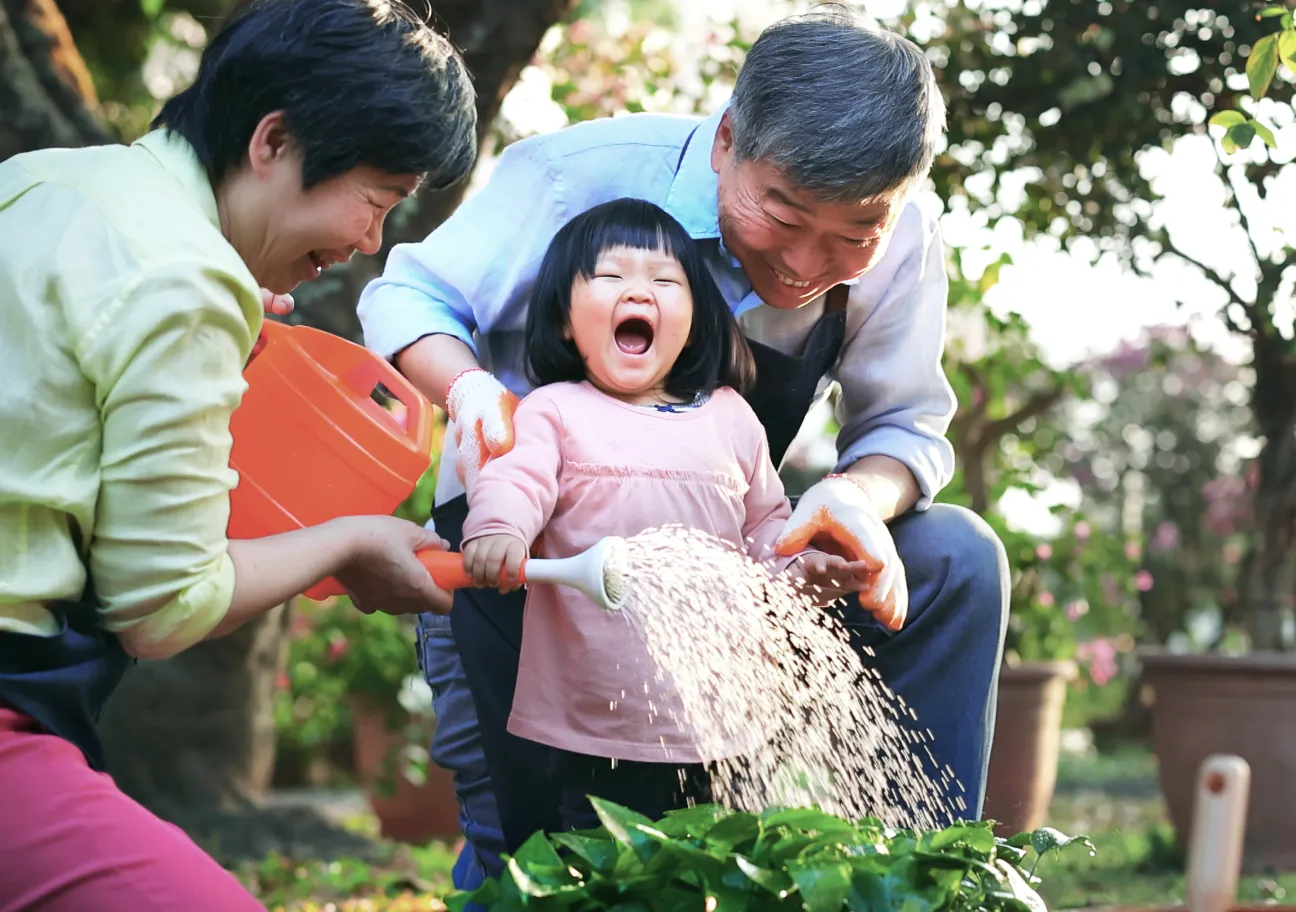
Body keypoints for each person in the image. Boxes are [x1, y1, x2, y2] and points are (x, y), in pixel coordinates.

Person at [358, 4, 1009, 888]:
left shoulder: (906, 235)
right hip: (529, 568)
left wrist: (857, 498)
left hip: (731, 574)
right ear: (728, 139)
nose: (808, 265)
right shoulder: (573, 178)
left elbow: (902, 427)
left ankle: (915, 883)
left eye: (855, 234)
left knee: (955, 557)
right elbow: (409, 298)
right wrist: (473, 391)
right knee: (535, 853)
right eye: (782, 213)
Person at [0, 1, 475, 909]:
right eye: (375, 201)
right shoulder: (188, 277)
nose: (370, 241)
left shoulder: (48, 179)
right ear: (273, 140)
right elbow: (164, 607)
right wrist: (345, 542)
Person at [459, 198, 865, 828]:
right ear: (565, 321)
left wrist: (801, 570)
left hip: (720, 716)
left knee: (710, 868)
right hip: (595, 722)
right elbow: (515, 480)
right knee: (604, 873)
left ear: (695, 319)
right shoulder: (555, 411)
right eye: (611, 276)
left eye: (665, 282)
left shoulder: (730, 416)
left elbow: (763, 529)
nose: (639, 291)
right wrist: (498, 529)